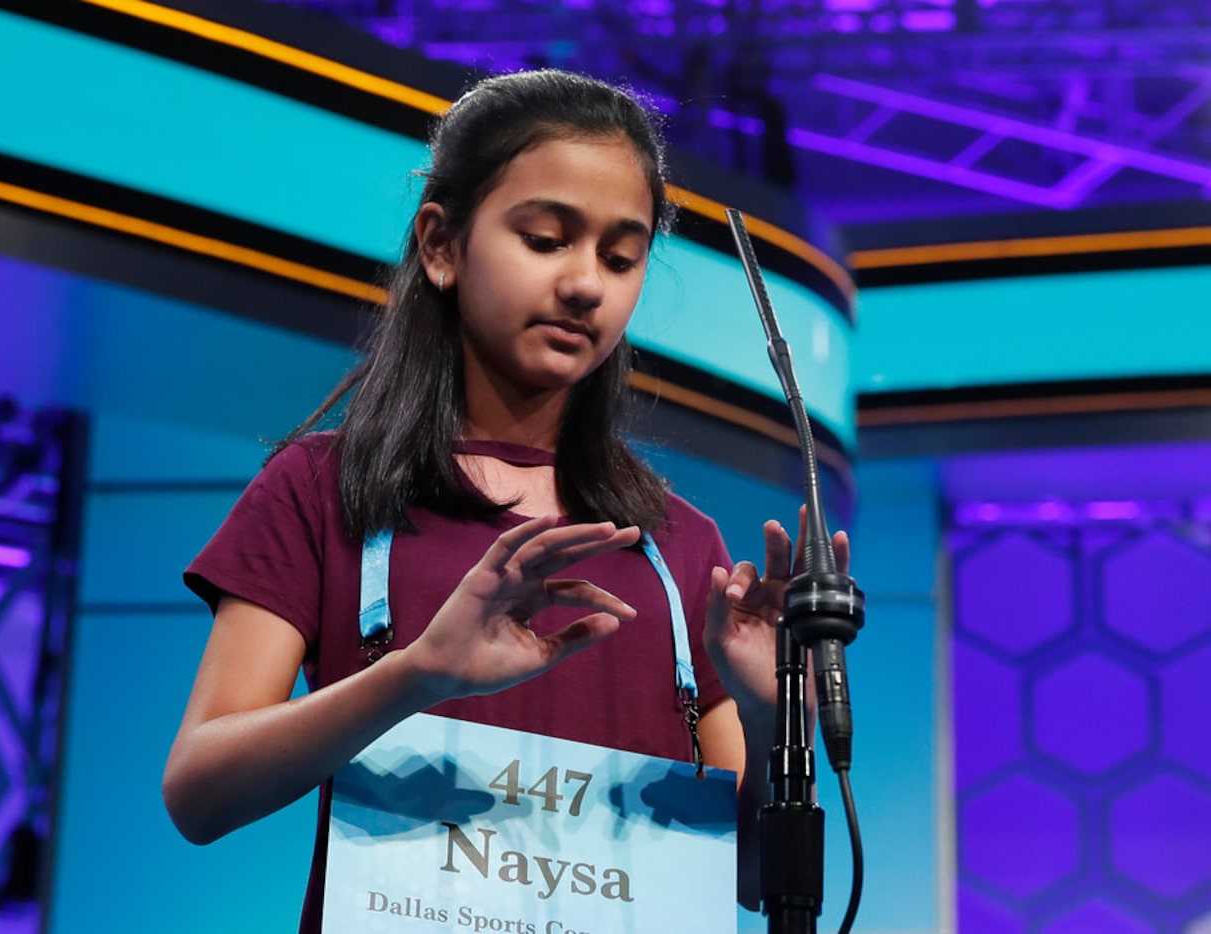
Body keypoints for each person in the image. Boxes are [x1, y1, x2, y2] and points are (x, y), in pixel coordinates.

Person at [164, 68, 848, 930]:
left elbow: (746, 881)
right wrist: (415, 675)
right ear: (442, 246)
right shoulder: (321, 488)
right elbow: (198, 793)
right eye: (545, 238)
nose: (584, 285)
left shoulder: (681, 547)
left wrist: (762, 704)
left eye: (619, 255)